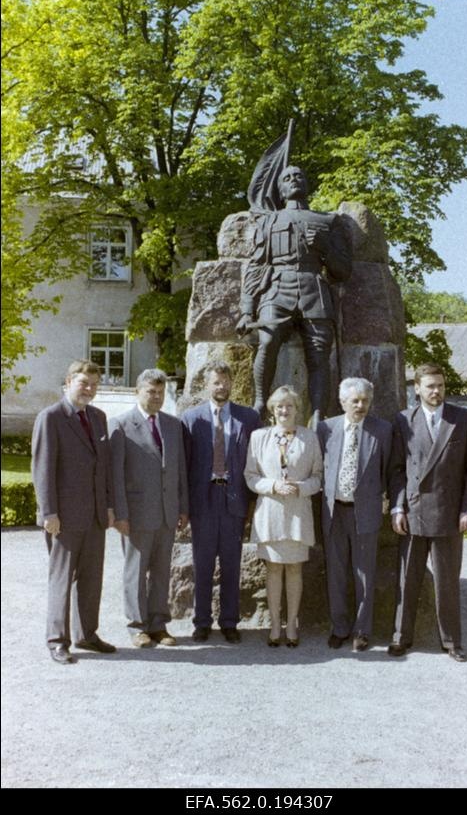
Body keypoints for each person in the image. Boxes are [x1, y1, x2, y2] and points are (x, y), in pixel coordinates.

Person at [237, 163, 352, 427]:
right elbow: (256, 267)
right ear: (280, 189)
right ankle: (259, 403)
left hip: (314, 289)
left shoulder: (327, 221)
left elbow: (343, 271)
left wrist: (326, 249)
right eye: (287, 178)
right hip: (277, 288)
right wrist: (246, 310)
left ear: (307, 183)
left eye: (299, 175)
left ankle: (318, 415)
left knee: (319, 353)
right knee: (267, 341)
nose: (294, 180)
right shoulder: (269, 221)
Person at [388, 363, 467, 662]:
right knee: (407, 579)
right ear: (416, 388)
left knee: (447, 581)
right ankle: (401, 637)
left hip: (449, 514)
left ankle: (451, 641)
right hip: (413, 512)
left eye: (440, 386)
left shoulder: (464, 419)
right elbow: (397, 470)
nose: (436, 391)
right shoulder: (403, 420)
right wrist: (397, 506)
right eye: (430, 386)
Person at [31, 359, 116, 664]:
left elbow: (102, 466)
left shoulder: (98, 417)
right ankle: (57, 640)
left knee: (92, 578)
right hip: (64, 517)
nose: (89, 389)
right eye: (83, 383)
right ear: (68, 382)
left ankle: (87, 635)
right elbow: (42, 469)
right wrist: (48, 513)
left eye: (94, 384)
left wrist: (107, 506)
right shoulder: (51, 417)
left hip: (94, 514)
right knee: (62, 579)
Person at [181, 361, 262, 643]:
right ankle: (201, 621)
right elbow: (185, 466)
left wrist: (252, 504)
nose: (221, 387)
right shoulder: (191, 419)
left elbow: (255, 462)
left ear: (232, 383)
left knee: (232, 564)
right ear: (207, 385)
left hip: (234, 499)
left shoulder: (248, 418)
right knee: (202, 564)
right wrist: (185, 506)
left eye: (226, 382)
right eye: (216, 382)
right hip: (203, 501)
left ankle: (229, 621)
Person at [108, 369, 189, 648]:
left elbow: (179, 470)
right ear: (137, 391)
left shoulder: (173, 425)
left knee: (161, 571)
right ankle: (137, 627)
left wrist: (183, 507)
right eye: (150, 391)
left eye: (160, 392)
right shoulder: (120, 425)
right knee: (135, 571)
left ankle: (158, 625)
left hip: (167, 512)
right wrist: (119, 514)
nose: (156, 397)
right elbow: (115, 475)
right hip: (136, 514)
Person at [317, 378, 392, 652]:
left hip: (365, 513)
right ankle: (339, 628)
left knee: (364, 575)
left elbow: (388, 472)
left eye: (365, 401)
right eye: (355, 401)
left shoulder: (382, 431)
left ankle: (362, 631)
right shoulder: (326, 428)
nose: (360, 406)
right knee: (336, 573)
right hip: (334, 511)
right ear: (343, 402)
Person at [245, 386, 323, 647]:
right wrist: (273, 486)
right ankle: (275, 624)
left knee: (294, 568)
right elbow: (250, 476)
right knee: (274, 569)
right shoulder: (259, 437)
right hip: (270, 512)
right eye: (279, 406)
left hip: (298, 513)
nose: (284, 410)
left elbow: (318, 476)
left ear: (296, 409)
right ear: (272, 410)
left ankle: (292, 624)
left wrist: (301, 487)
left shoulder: (309, 438)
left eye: (289, 405)